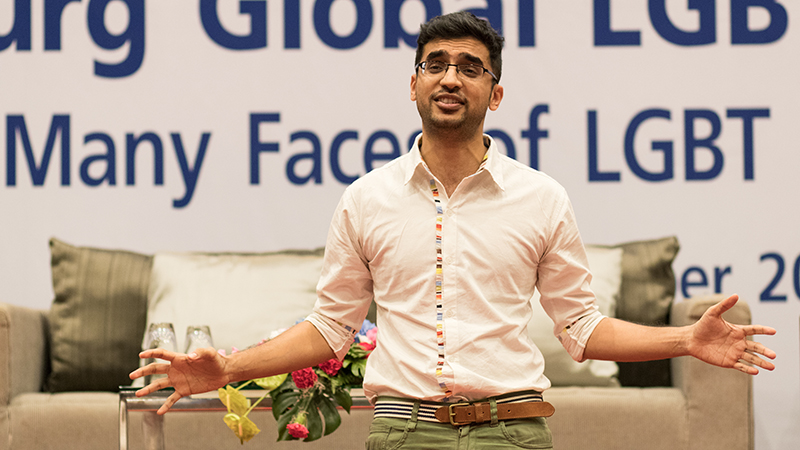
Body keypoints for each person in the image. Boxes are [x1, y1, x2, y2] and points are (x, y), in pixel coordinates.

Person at [130, 11, 776, 449]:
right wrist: (228, 369)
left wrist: (685, 339)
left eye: (471, 67)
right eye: (436, 64)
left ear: (494, 94)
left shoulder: (541, 198)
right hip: (405, 432)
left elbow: (581, 330)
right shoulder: (367, 199)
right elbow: (330, 328)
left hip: (511, 430)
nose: (451, 77)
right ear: (413, 83)